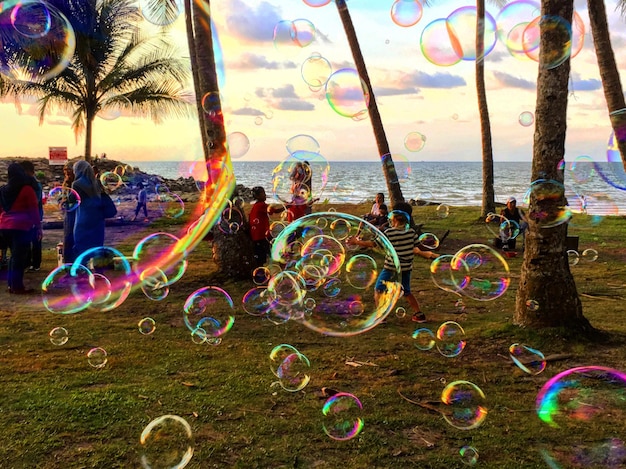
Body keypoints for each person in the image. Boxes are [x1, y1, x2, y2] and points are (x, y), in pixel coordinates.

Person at [347, 210, 438, 323]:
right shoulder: (411, 233)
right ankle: (419, 314)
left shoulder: (390, 233)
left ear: (394, 220)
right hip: (406, 268)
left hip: (391, 268)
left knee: (379, 289)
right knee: (406, 291)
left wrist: (356, 242)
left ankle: (381, 316)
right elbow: (418, 247)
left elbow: (373, 244)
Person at [0, 163, 42, 294]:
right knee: (19, 258)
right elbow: (33, 209)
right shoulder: (27, 189)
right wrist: (38, 226)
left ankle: (11, 285)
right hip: (21, 227)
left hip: (4, 226)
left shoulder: (3, 190)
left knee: (14, 257)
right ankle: (17, 287)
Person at [72, 160, 105, 260]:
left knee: (81, 247)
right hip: (98, 220)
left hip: (83, 219)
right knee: (96, 247)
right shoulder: (97, 183)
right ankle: (99, 272)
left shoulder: (77, 184)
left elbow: (72, 199)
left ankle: (82, 271)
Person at [248, 186, 284, 267]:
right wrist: (287, 206)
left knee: (263, 254)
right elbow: (274, 211)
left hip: (258, 235)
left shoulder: (257, 205)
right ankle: (280, 266)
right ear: (257, 196)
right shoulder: (261, 205)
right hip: (261, 235)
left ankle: (264, 270)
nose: (265, 195)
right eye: (262, 193)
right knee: (268, 252)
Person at [19, 161, 43, 271]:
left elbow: (36, 200)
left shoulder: (35, 184)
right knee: (27, 240)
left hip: (35, 215)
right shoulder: (25, 183)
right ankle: (28, 262)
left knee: (36, 240)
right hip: (27, 216)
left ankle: (36, 263)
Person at [62, 162, 77, 264]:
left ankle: (74, 262)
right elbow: (62, 198)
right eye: (65, 171)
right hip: (68, 214)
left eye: (69, 170)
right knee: (68, 238)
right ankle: (68, 262)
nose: (67, 173)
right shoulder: (66, 184)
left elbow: (73, 198)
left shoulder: (76, 184)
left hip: (76, 213)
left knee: (74, 238)